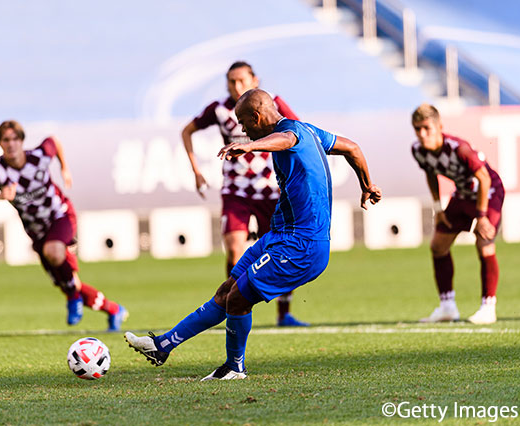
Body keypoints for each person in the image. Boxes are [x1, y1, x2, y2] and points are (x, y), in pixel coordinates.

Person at [126, 89, 382, 380]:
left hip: (303, 246)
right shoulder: (312, 131)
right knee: (226, 291)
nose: (243, 130)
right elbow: (353, 148)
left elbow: (285, 141)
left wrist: (250, 147)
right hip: (279, 236)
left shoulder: (293, 133)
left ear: (257, 117)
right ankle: (163, 346)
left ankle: (235, 367)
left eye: (244, 123)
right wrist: (367, 184)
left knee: (237, 299)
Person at [182, 61, 308, 327]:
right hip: (235, 191)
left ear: (255, 80)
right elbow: (187, 130)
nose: (236, 86)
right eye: (231, 81)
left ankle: (284, 312)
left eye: (241, 80)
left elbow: (297, 131)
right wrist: (196, 170)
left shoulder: (271, 104)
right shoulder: (219, 109)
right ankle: (234, 307)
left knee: (280, 251)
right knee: (234, 249)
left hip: (271, 190)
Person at [0, 120, 127, 330]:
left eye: (15, 139)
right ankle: (114, 310)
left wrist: (65, 168)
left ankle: (73, 299)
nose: (11, 144)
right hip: (37, 231)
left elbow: (54, 141)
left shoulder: (39, 156)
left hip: (60, 215)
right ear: (0, 143)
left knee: (54, 253)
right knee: (69, 282)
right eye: (6, 140)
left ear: (21, 141)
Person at [411, 104, 504, 324]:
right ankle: (447, 307)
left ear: (439, 127)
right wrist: (438, 207)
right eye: (417, 129)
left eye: (426, 128)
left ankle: (488, 307)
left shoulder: (458, 148)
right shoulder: (418, 151)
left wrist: (481, 216)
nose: (422, 134)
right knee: (438, 246)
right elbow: (431, 173)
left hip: (488, 193)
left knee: (484, 242)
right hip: (462, 195)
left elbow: (485, 179)